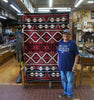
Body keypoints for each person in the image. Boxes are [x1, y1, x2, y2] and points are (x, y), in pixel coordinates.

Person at [57, 29, 79, 100]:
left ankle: (70, 95)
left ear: (69, 35)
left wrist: (75, 64)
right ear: (62, 35)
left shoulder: (73, 44)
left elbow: (77, 55)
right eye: (64, 34)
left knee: (70, 81)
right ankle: (65, 92)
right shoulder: (60, 43)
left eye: (67, 34)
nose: (65, 35)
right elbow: (58, 54)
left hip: (70, 66)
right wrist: (58, 62)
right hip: (62, 65)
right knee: (63, 80)